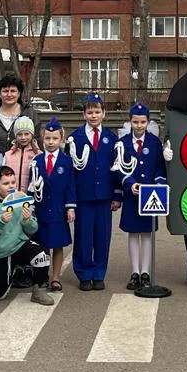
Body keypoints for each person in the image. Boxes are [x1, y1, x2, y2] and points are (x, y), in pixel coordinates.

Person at [67, 93, 121, 291]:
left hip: (105, 197)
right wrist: (71, 201)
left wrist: (117, 195)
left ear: (104, 114)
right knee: (83, 237)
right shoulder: (74, 139)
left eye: (97, 111)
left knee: (102, 237)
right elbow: (70, 172)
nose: (94, 116)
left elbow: (117, 169)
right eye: (90, 112)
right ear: (83, 114)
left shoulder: (111, 138)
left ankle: (99, 273)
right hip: (83, 197)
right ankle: (83, 273)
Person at [0, 165, 54, 304]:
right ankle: (13, 271)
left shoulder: (21, 201)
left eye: (13, 182)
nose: (11, 186)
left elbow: (32, 229)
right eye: (6, 183)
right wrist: (0, 221)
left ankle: (39, 291)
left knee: (42, 255)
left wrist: (27, 220)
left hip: (18, 245)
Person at [116, 102, 167, 291]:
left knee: (147, 233)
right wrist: (129, 184)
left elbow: (160, 167)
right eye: (135, 122)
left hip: (150, 195)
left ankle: (145, 272)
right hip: (132, 195)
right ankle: (134, 272)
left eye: (143, 122)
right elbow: (119, 168)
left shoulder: (154, 143)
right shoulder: (122, 143)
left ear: (148, 122)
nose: (139, 126)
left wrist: (159, 184)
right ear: (130, 122)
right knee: (132, 233)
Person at [30, 118, 75, 292]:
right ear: (42, 139)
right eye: (47, 138)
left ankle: (55, 278)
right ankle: (41, 276)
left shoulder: (66, 161)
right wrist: (30, 206)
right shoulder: (36, 161)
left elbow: (71, 186)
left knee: (57, 244)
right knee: (42, 245)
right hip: (40, 209)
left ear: (61, 139)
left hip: (58, 209)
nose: (50, 142)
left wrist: (70, 207)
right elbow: (31, 186)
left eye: (55, 139)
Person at [0, 73, 39, 153]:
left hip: (23, 162)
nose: (9, 95)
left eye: (13, 91)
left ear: (19, 93)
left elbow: (37, 140)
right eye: (5, 91)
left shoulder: (30, 114)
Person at [4, 116, 40, 192]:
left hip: (31, 198)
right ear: (15, 135)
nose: (23, 137)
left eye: (26, 134)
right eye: (19, 134)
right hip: (12, 197)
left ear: (32, 135)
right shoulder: (8, 155)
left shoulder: (39, 155)